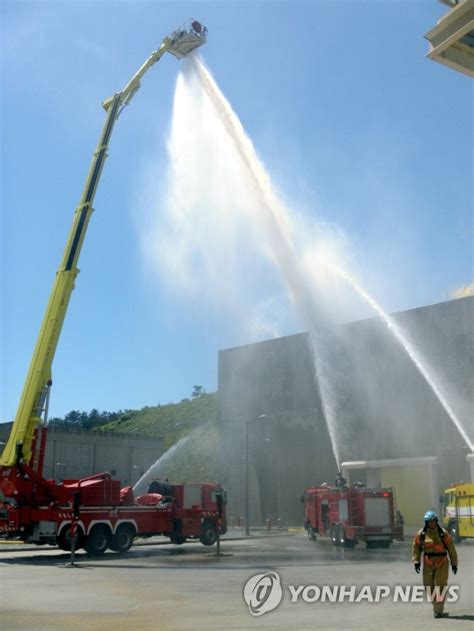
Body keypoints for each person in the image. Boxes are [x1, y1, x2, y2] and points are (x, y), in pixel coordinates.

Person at [411, 510, 458, 618]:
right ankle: (436, 604)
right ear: (426, 522)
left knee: (440, 586)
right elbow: (416, 548)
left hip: (442, 563)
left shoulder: (443, 533)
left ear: (436, 521)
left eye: (433, 521)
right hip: (428, 564)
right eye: (429, 521)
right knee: (428, 586)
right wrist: (416, 562)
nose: (432, 523)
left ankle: (438, 611)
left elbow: (451, 548)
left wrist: (454, 564)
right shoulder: (421, 534)